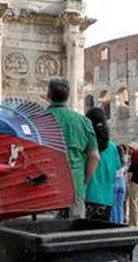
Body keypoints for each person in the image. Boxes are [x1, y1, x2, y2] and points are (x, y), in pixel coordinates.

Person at [46, 77, 98, 217]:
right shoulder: (84, 122)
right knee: (75, 236)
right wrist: (84, 180)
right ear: (68, 96)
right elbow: (94, 157)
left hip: (48, 189)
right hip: (75, 188)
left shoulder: (39, 120)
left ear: (48, 95)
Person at [84, 107, 121, 221]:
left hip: (88, 196)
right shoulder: (113, 147)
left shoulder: (86, 146)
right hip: (107, 200)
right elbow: (116, 172)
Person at [111, 145, 128, 224]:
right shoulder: (125, 160)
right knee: (120, 204)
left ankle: (114, 222)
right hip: (122, 181)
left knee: (113, 204)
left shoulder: (114, 159)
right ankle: (120, 221)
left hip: (114, 180)